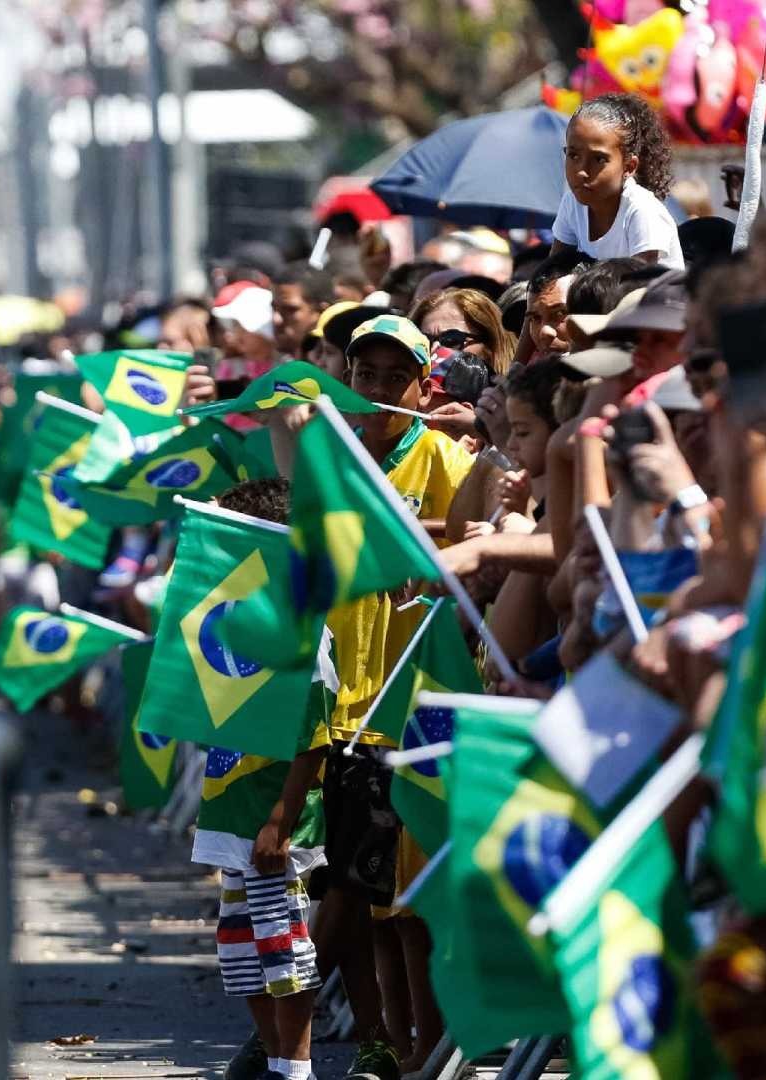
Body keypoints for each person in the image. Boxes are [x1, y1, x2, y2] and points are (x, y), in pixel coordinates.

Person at [298, 314, 475, 1080]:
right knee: (358, 890)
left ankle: (423, 1048)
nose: (374, 390)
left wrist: (406, 535)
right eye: (362, 374)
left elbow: (473, 539)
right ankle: (378, 1038)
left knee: (398, 897)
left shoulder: (439, 454)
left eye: (392, 377)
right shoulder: (329, 451)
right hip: (337, 694)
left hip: (409, 695)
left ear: (423, 385)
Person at [203, 479, 331, 1080]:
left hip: (274, 819)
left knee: (284, 950)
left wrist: (281, 819)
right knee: (241, 950)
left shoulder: (302, 627)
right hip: (233, 811)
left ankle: (297, 1067)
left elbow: (313, 738)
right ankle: (276, 1057)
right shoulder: (236, 616)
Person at [550, 93, 684, 269]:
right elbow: (552, 274)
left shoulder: (642, 211)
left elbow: (636, 286)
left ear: (629, 166)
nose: (581, 171)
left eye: (598, 159)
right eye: (573, 155)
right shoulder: (572, 204)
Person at [272, 262, 336, 361]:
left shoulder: (338, 370)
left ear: (322, 311)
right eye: (274, 308)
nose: (276, 319)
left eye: (290, 310)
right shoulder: (279, 364)